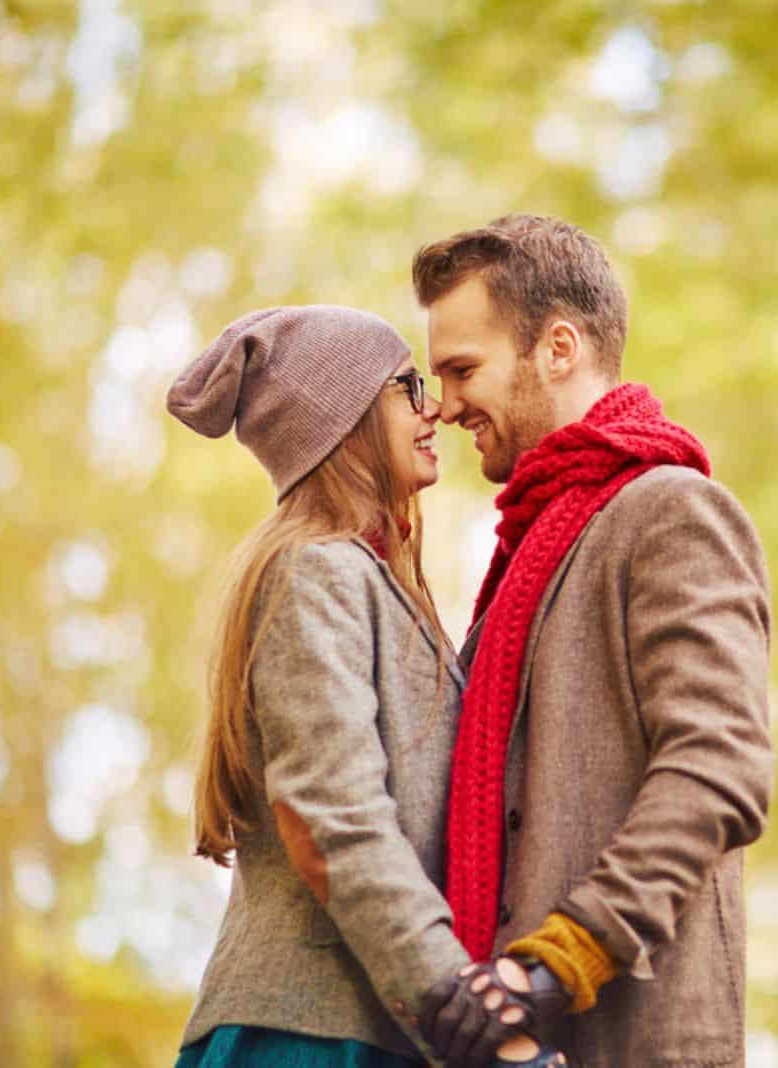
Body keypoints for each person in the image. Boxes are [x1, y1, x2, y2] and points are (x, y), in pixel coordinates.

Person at [411, 216, 775, 1068]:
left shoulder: (671, 512)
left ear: (559, 348)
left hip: (633, 1036)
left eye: (464, 370)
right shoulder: (524, 553)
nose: (448, 404)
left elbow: (719, 765)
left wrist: (563, 956)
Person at [166, 305, 563, 1068]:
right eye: (408, 387)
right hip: (308, 1036)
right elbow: (333, 826)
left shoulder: (372, 582)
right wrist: (468, 1013)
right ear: (343, 418)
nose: (436, 409)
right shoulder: (316, 572)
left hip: (373, 1030)